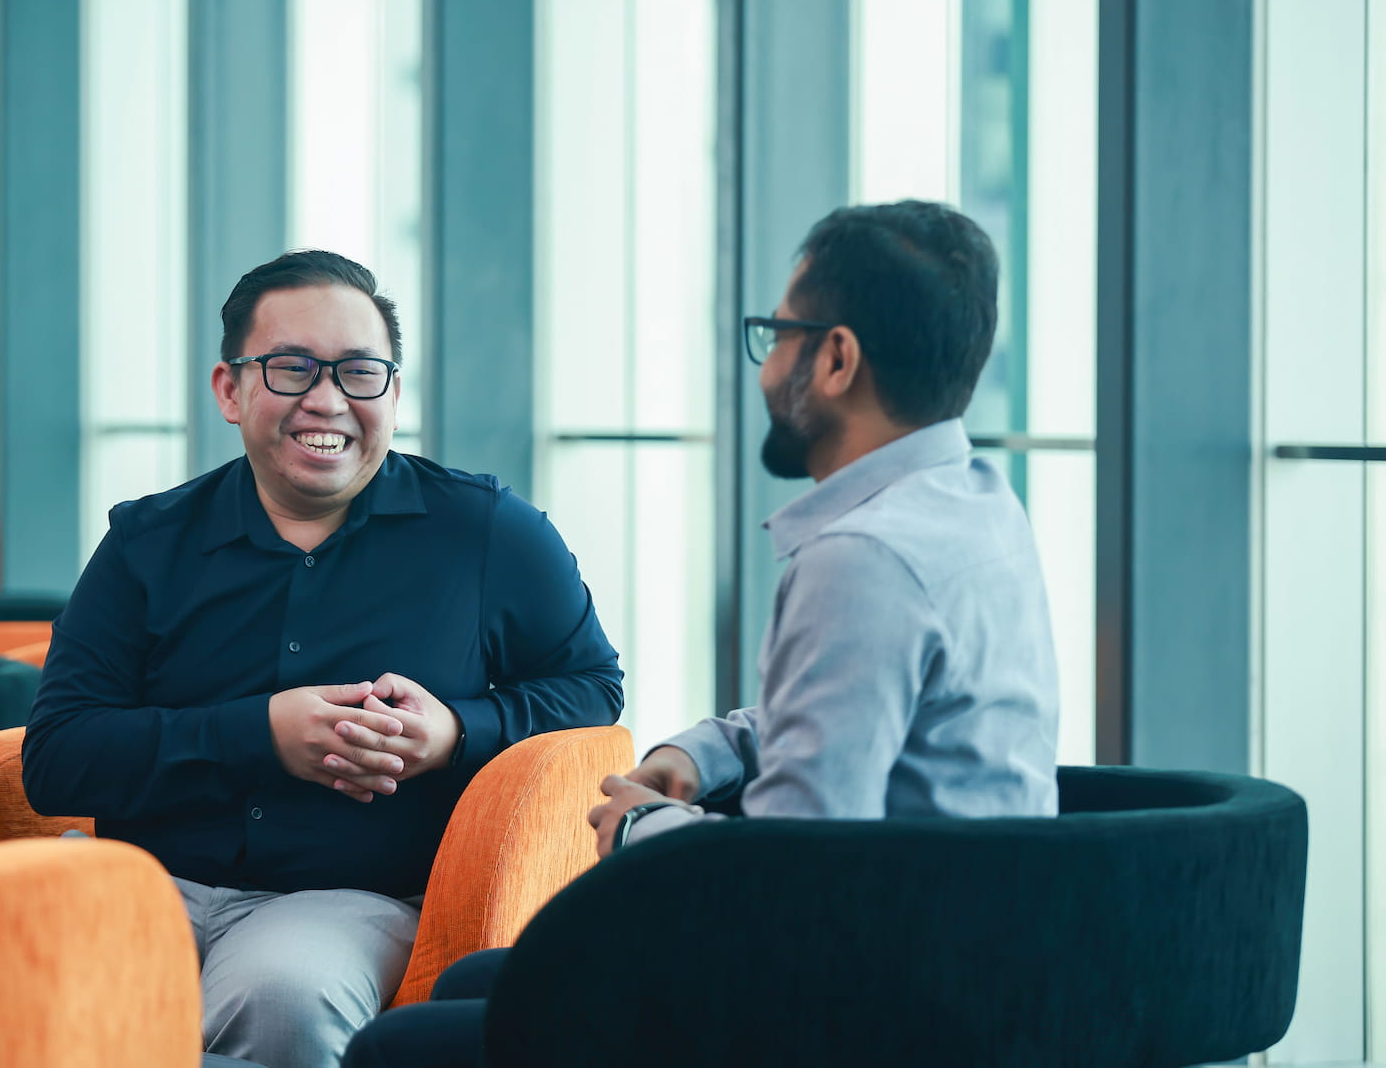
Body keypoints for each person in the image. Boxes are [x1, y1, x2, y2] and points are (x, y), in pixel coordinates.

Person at [341, 199, 1061, 1068]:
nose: (765, 369)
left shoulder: (862, 559)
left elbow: (798, 875)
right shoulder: (977, 504)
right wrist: (705, 753)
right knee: (476, 986)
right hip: (977, 964)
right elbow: (858, 715)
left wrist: (646, 832)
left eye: (778, 334)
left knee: (402, 1048)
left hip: (860, 1005)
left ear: (836, 358)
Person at [22, 250, 624, 1068]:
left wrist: (456, 732)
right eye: (291, 368)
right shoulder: (146, 544)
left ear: (395, 393)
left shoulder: (487, 533)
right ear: (230, 390)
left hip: (347, 899)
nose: (328, 399)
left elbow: (590, 689)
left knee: (284, 998)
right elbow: (58, 758)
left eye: (358, 373)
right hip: (141, 882)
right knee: (3, 976)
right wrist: (261, 735)